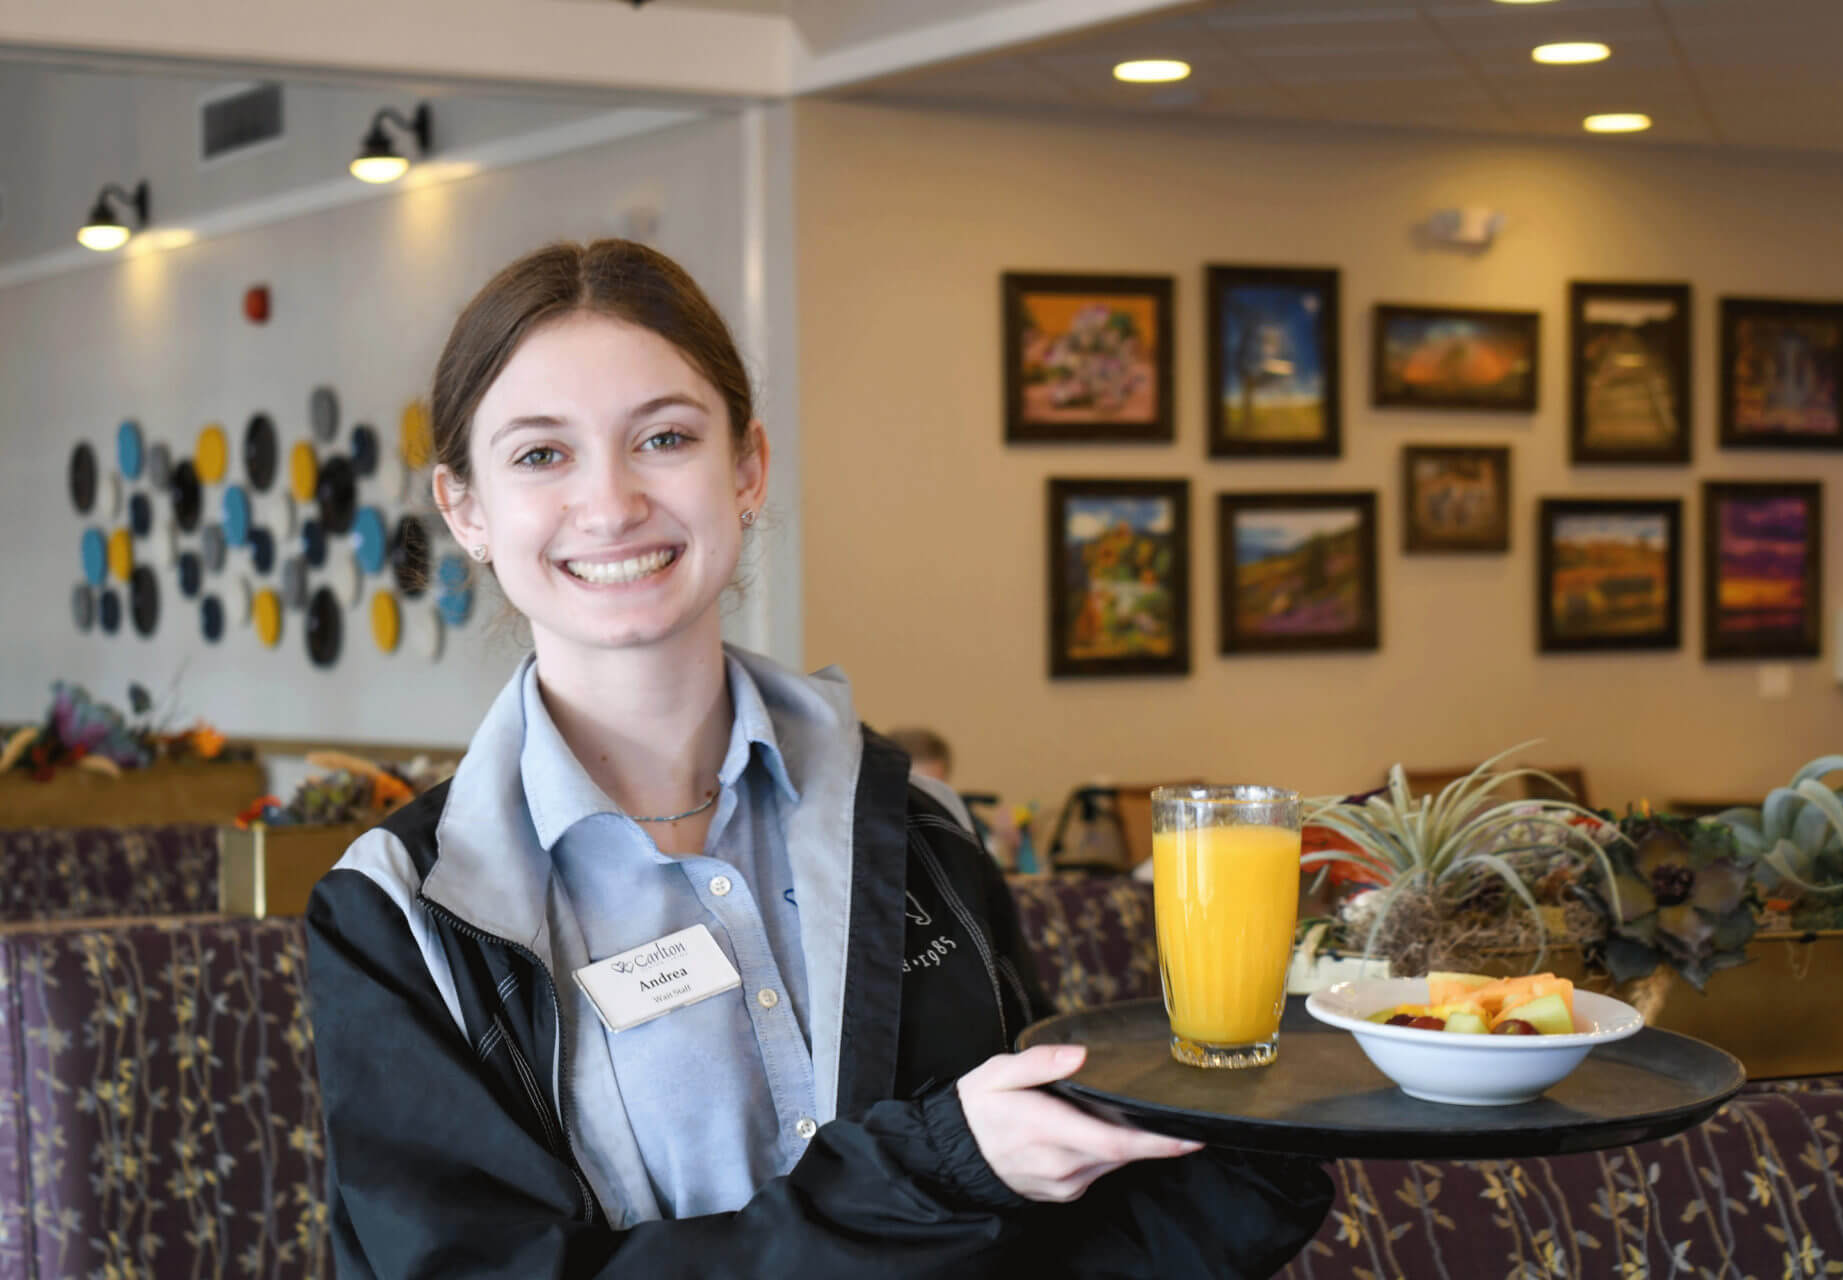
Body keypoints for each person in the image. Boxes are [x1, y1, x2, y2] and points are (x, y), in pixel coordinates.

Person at [304, 239, 1332, 1279]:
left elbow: (1049, 1232)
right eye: (540, 454)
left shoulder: (918, 823)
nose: (610, 502)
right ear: (466, 509)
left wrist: (1272, 1125)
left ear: (746, 468)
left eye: (662, 436)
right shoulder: (402, 914)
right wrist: (929, 1171)